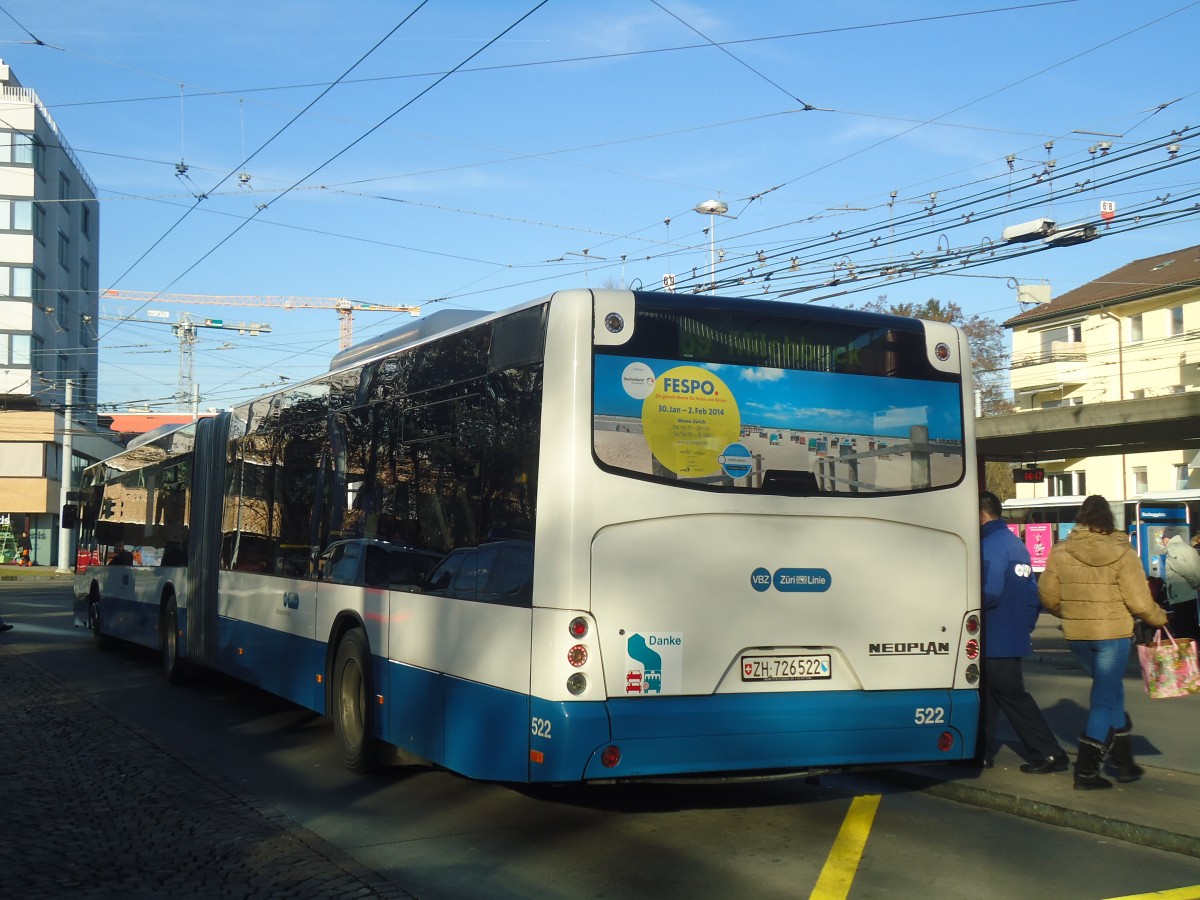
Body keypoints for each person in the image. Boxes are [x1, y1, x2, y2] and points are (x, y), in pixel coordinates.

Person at [1038, 495, 1167, 790]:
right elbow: (1139, 601)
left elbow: (1047, 596)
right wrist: (1159, 618)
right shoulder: (1123, 551)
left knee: (1112, 693)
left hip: (1077, 636)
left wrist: (1068, 611)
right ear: (1108, 518)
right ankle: (1086, 773)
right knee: (1104, 700)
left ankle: (1124, 763)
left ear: (1080, 517)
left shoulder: (1060, 551)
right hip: (1112, 635)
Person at [978, 492, 1068, 773]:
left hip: (994, 636)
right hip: (1012, 634)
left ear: (982, 515)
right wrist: (1025, 627)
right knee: (989, 697)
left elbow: (988, 593)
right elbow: (1032, 594)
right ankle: (979, 752)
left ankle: (1049, 752)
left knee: (1011, 696)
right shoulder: (1017, 546)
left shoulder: (989, 545)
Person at [1161, 526, 1200, 642]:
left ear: (1167, 539)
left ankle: (1184, 657)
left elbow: (1184, 569)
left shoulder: (1172, 549)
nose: (1162, 542)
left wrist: (1196, 583)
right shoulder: (1189, 548)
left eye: (1163, 539)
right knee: (1190, 626)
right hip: (1191, 595)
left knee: (1182, 630)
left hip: (1181, 596)